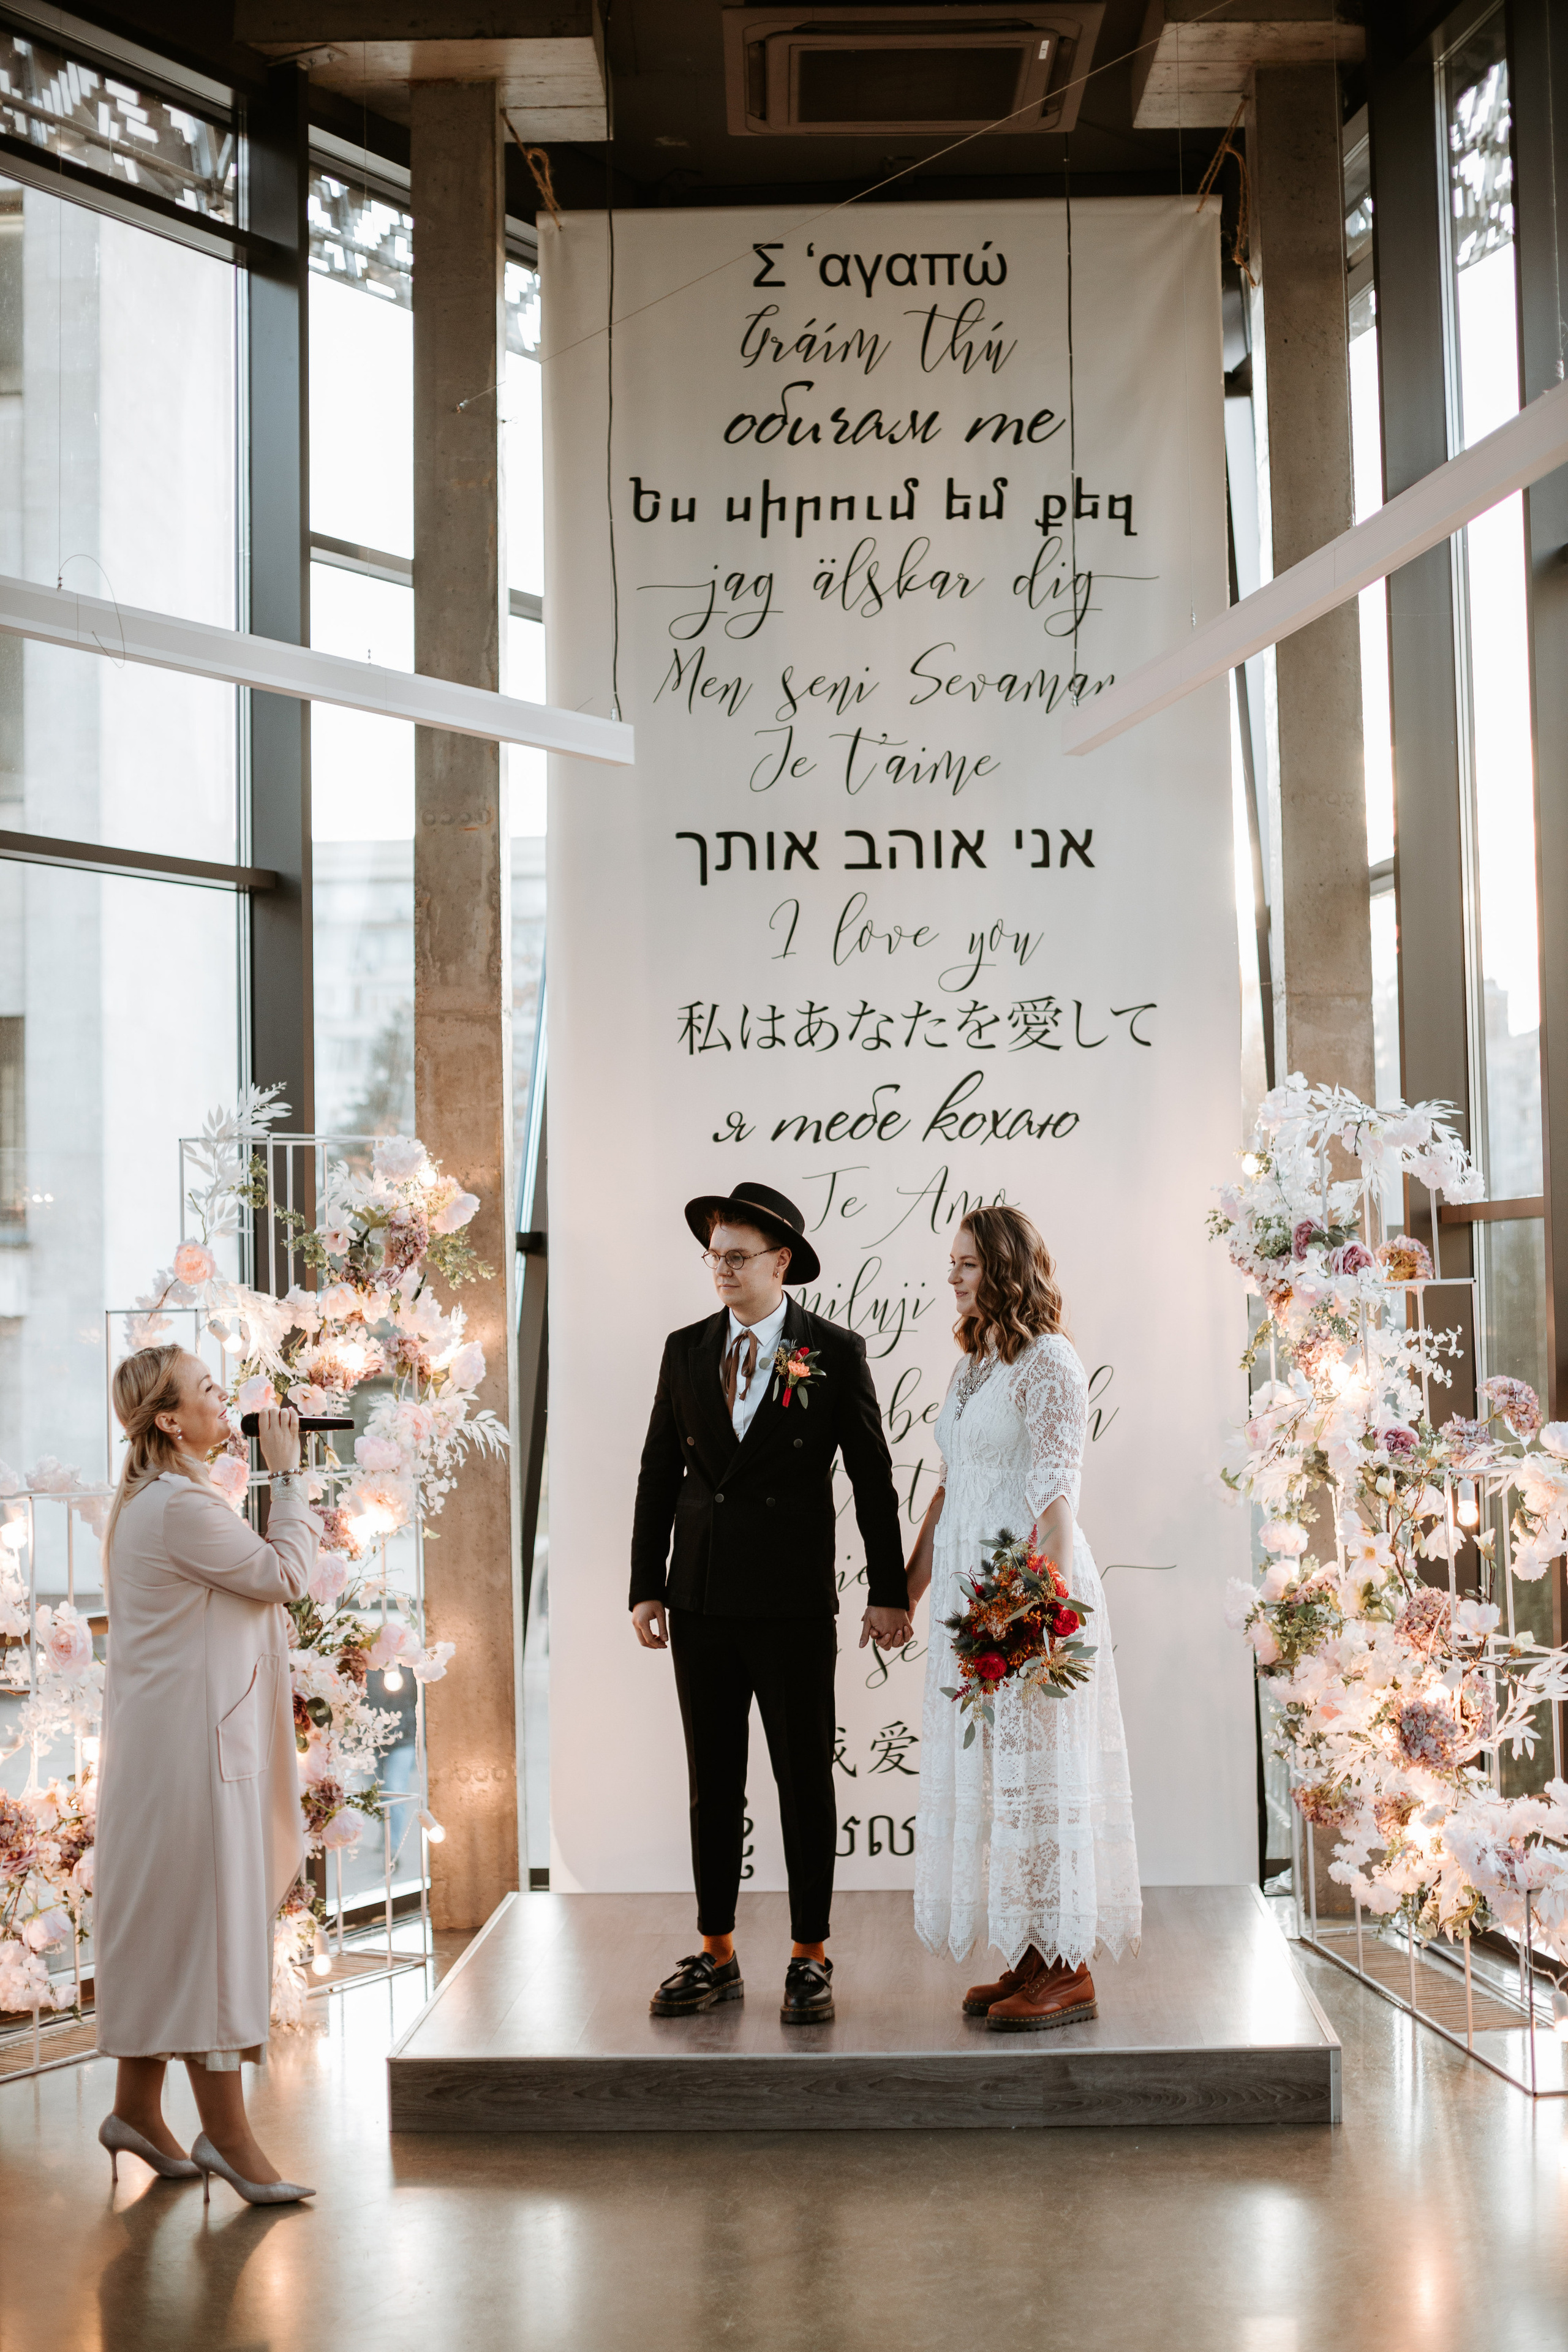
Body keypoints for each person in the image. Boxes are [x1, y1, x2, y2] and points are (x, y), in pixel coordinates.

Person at [630, 1182, 911, 2025]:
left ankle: (809, 1954)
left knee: (803, 1780)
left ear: (780, 1262)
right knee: (713, 1785)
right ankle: (716, 1951)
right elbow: (658, 1472)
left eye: (737, 1256)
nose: (721, 1269)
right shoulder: (685, 1349)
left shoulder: (834, 1351)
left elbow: (872, 1478)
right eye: (713, 1256)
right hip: (701, 1598)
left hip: (791, 1603)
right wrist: (646, 1583)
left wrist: (888, 1591)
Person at [93, 1344, 318, 2205]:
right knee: (210, 1935)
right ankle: (227, 2137)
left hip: (167, 1751)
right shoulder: (180, 1507)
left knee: (171, 1929)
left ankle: (135, 2113)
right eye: (209, 1391)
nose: (227, 1401)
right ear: (169, 1419)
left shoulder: (157, 1500)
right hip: (190, 1758)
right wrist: (288, 1477)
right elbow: (285, 1575)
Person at [906, 1207, 1141, 2029]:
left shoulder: (1051, 1361)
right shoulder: (974, 1364)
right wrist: (911, 1587)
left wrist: (1039, 1613)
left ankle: (1070, 1969)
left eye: (968, 1263)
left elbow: (1056, 1496)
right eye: (952, 1262)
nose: (953, 1275)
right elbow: (950, 1486)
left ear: (1006, 1270)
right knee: (1008, 1783)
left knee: (1044, 1781)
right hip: (972, 1602)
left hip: (1027, 1599)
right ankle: (1036, 1953)